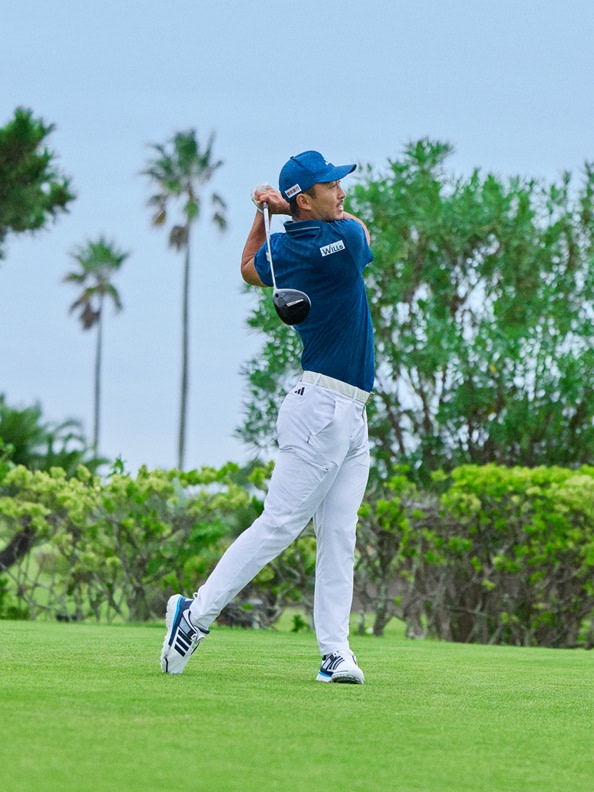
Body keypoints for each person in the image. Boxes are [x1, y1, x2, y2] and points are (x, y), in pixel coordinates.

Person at [161, 150, 375, 683]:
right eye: (330, 186)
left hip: (349, 411)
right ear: (306, 199)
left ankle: (334, 652)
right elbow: (359, 229)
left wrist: (266, 215)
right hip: (321, 409)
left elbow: (247, 267)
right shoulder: (342, 241)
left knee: (339, 533)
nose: (341, 192)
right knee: (279, 524)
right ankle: (195, 615)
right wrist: (281, 208)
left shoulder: (285, 249)